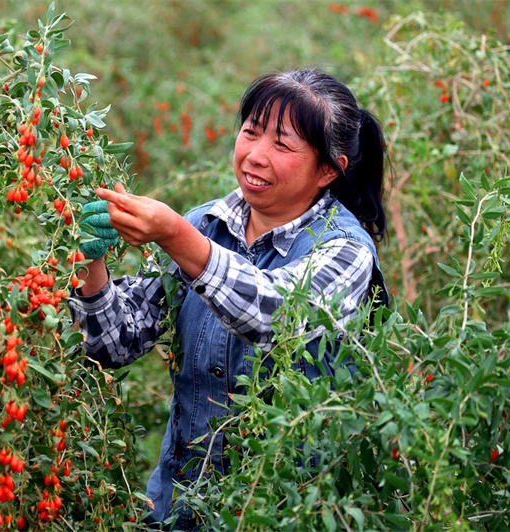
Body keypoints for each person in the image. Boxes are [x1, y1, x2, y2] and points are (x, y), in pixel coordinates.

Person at [68, 68, 389, 529]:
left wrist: (175, 234)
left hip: (285, 513)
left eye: (282, 144)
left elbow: (274, 314)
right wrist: (90, 260)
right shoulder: (207, 225)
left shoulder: (345, 250)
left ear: (327, 170)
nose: (255, 156)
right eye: (250, 133)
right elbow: (113, 343)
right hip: (179, 510)